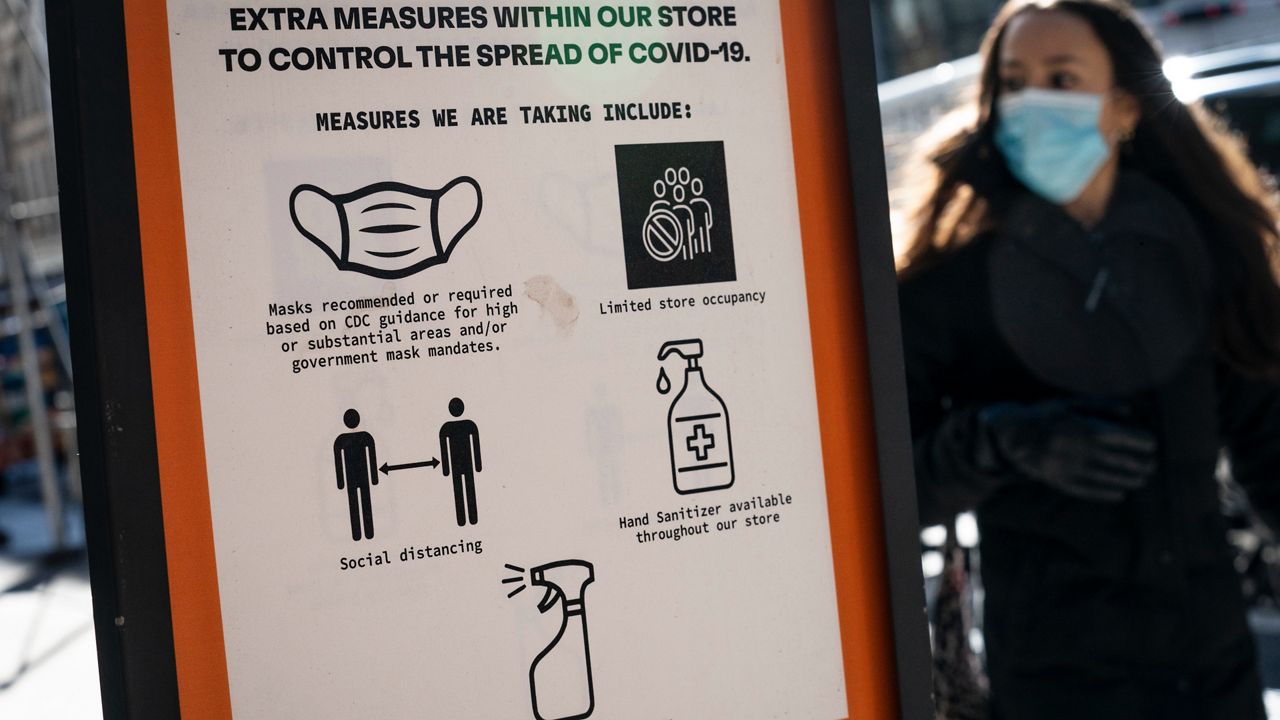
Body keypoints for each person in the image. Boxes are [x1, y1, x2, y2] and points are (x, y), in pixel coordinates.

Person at [897, 1, 1280, 717]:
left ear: (1126, 107)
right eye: (1013, 81)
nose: (1031, 102)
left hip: (1208, 679)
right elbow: (894, 488)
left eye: (1062, 78)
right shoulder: (948, 285)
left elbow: (1270, 447)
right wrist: (1003, 441)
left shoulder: (1200, 259)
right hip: (1052, 685)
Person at [334, 408, 378, 541]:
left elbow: (338, 462)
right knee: (363, 502)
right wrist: (374, 478)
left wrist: (341, 482)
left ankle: (359, 534)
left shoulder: (341, 440)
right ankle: (365, 533)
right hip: (360, 477)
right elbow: (372, 457)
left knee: (357, 503)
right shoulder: (364, 437)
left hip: (352, 478)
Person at [439, 397, 482, 526]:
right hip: (462, 464)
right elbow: (444, 449)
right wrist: (477, 465)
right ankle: (467, 519)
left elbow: (475, 444)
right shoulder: (468, 425)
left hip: (457, 465)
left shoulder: (448, 427)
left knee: (464, 489)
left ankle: (465, 519)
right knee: (466, 489)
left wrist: (446, 469)